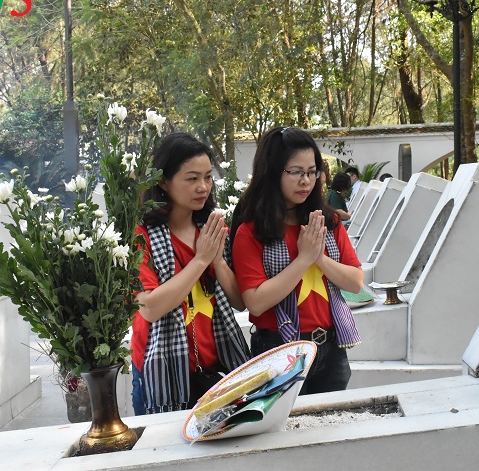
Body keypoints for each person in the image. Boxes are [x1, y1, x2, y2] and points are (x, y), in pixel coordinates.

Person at [231, 126, 363, 394]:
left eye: (312, 171)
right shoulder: (252, 232)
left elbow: (355, 282)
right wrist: (303, 260)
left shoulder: (327, 222)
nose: (306, 181)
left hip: (331, 347)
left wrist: (318, 258)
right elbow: (255, 302)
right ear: (272, 172)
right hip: (278, 351)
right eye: (296, 172)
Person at [131, 132, 250, 414]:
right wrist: (201, 260)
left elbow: (239, 301)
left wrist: (218, 262)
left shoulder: (213, 229)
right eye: (192, 178)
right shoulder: (141, 235)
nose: (203, 187)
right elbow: (149, 308)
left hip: (216, 367)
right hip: (159, 369)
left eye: (208, 177)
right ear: (163, 181)